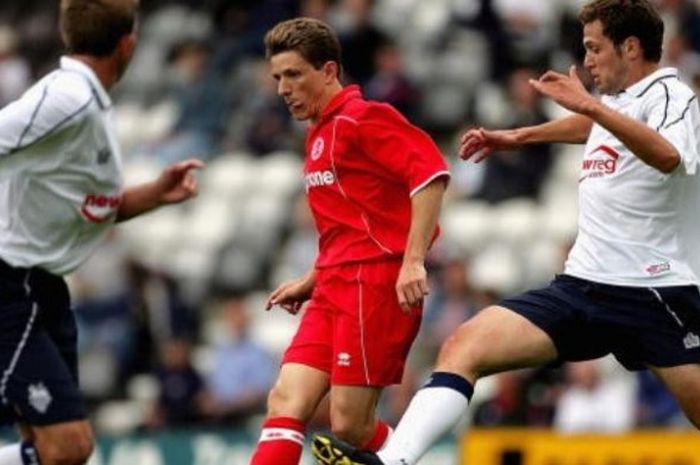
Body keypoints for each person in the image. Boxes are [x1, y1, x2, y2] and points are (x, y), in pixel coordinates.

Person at [312, 0, 700, 463]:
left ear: (631, 47)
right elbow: (595, 127)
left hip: (654, 293)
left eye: (595, 49)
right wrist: (516, 136)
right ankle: (392, 461)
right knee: (465, 346)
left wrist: (592, 107)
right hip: (584, 287)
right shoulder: (617, 103)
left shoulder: (674, 96)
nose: (587, 60)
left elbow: (668, 156)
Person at [0, 1, 203, 464]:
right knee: (70, 447)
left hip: (43, 288)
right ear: (128, 44)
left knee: (53, 451)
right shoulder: (65, 99)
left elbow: (86, 207)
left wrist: (152, 193)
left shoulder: (86, 101)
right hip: (11, 284)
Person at [249, 17, 449, 465]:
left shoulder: (364, 118)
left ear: (328, 71)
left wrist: (413, 260)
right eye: (278, 77)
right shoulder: (318, 132)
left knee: (350, 427)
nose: (283, 88)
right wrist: (312, 277)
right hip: (333, 286)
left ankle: (397, 457)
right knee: (285, 401)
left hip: (374, 285)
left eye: (294, 74)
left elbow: (431, 175)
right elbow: (350, 227)